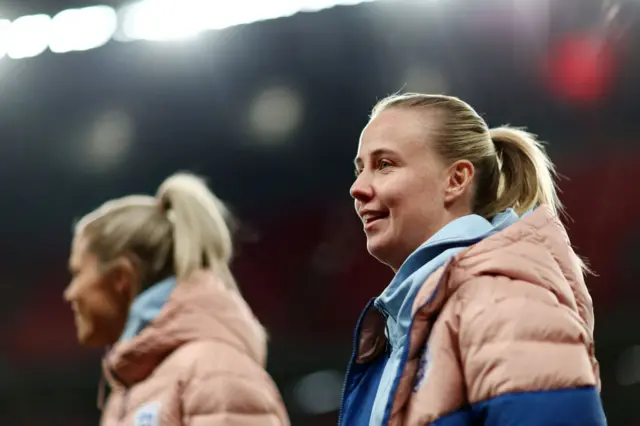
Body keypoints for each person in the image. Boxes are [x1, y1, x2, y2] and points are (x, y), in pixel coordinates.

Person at [339, 93, 607, 426]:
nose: (357, 188)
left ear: (456, 180)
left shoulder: (504, 303)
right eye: (359, 168)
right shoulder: (409, 326)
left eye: (384, 164)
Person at [64, 172, 290, 426]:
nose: (70, 293)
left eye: (77, 273)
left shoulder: (215, 372)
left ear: (121, 278)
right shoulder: (131, 386)